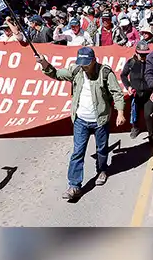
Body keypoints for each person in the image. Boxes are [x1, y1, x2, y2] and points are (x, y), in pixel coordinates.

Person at [36, 47, 126, 202]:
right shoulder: (76, 70)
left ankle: (102, 170)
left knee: (102, 149)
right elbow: (56, 74)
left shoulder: (104, 72)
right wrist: (44, 63)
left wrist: (120, 112)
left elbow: (117, 93)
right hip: (80, 120)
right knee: (78, 152)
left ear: (93, 60)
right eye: (81, 63)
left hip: (100, 120)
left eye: (86, 63)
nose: (83, 66)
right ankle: (74, 185)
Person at [121, 40, 153, 141]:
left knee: (147, 115)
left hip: (148, 94)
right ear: (136, 53)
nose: (143, 57)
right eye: (141, 55)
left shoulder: (151, 62)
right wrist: (128, 86)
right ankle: (135, 128)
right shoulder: (131, 63)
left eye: (145, 55)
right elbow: (123, 75)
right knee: (134, 113)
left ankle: (151, 135)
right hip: (136, 94)